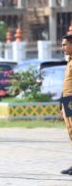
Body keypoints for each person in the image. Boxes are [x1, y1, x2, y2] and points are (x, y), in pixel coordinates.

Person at [60, 34, 72, 175]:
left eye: (65, 45)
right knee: (71, 131)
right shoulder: (69, 61)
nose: (63, 48)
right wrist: (61, 105)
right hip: (68, 100)